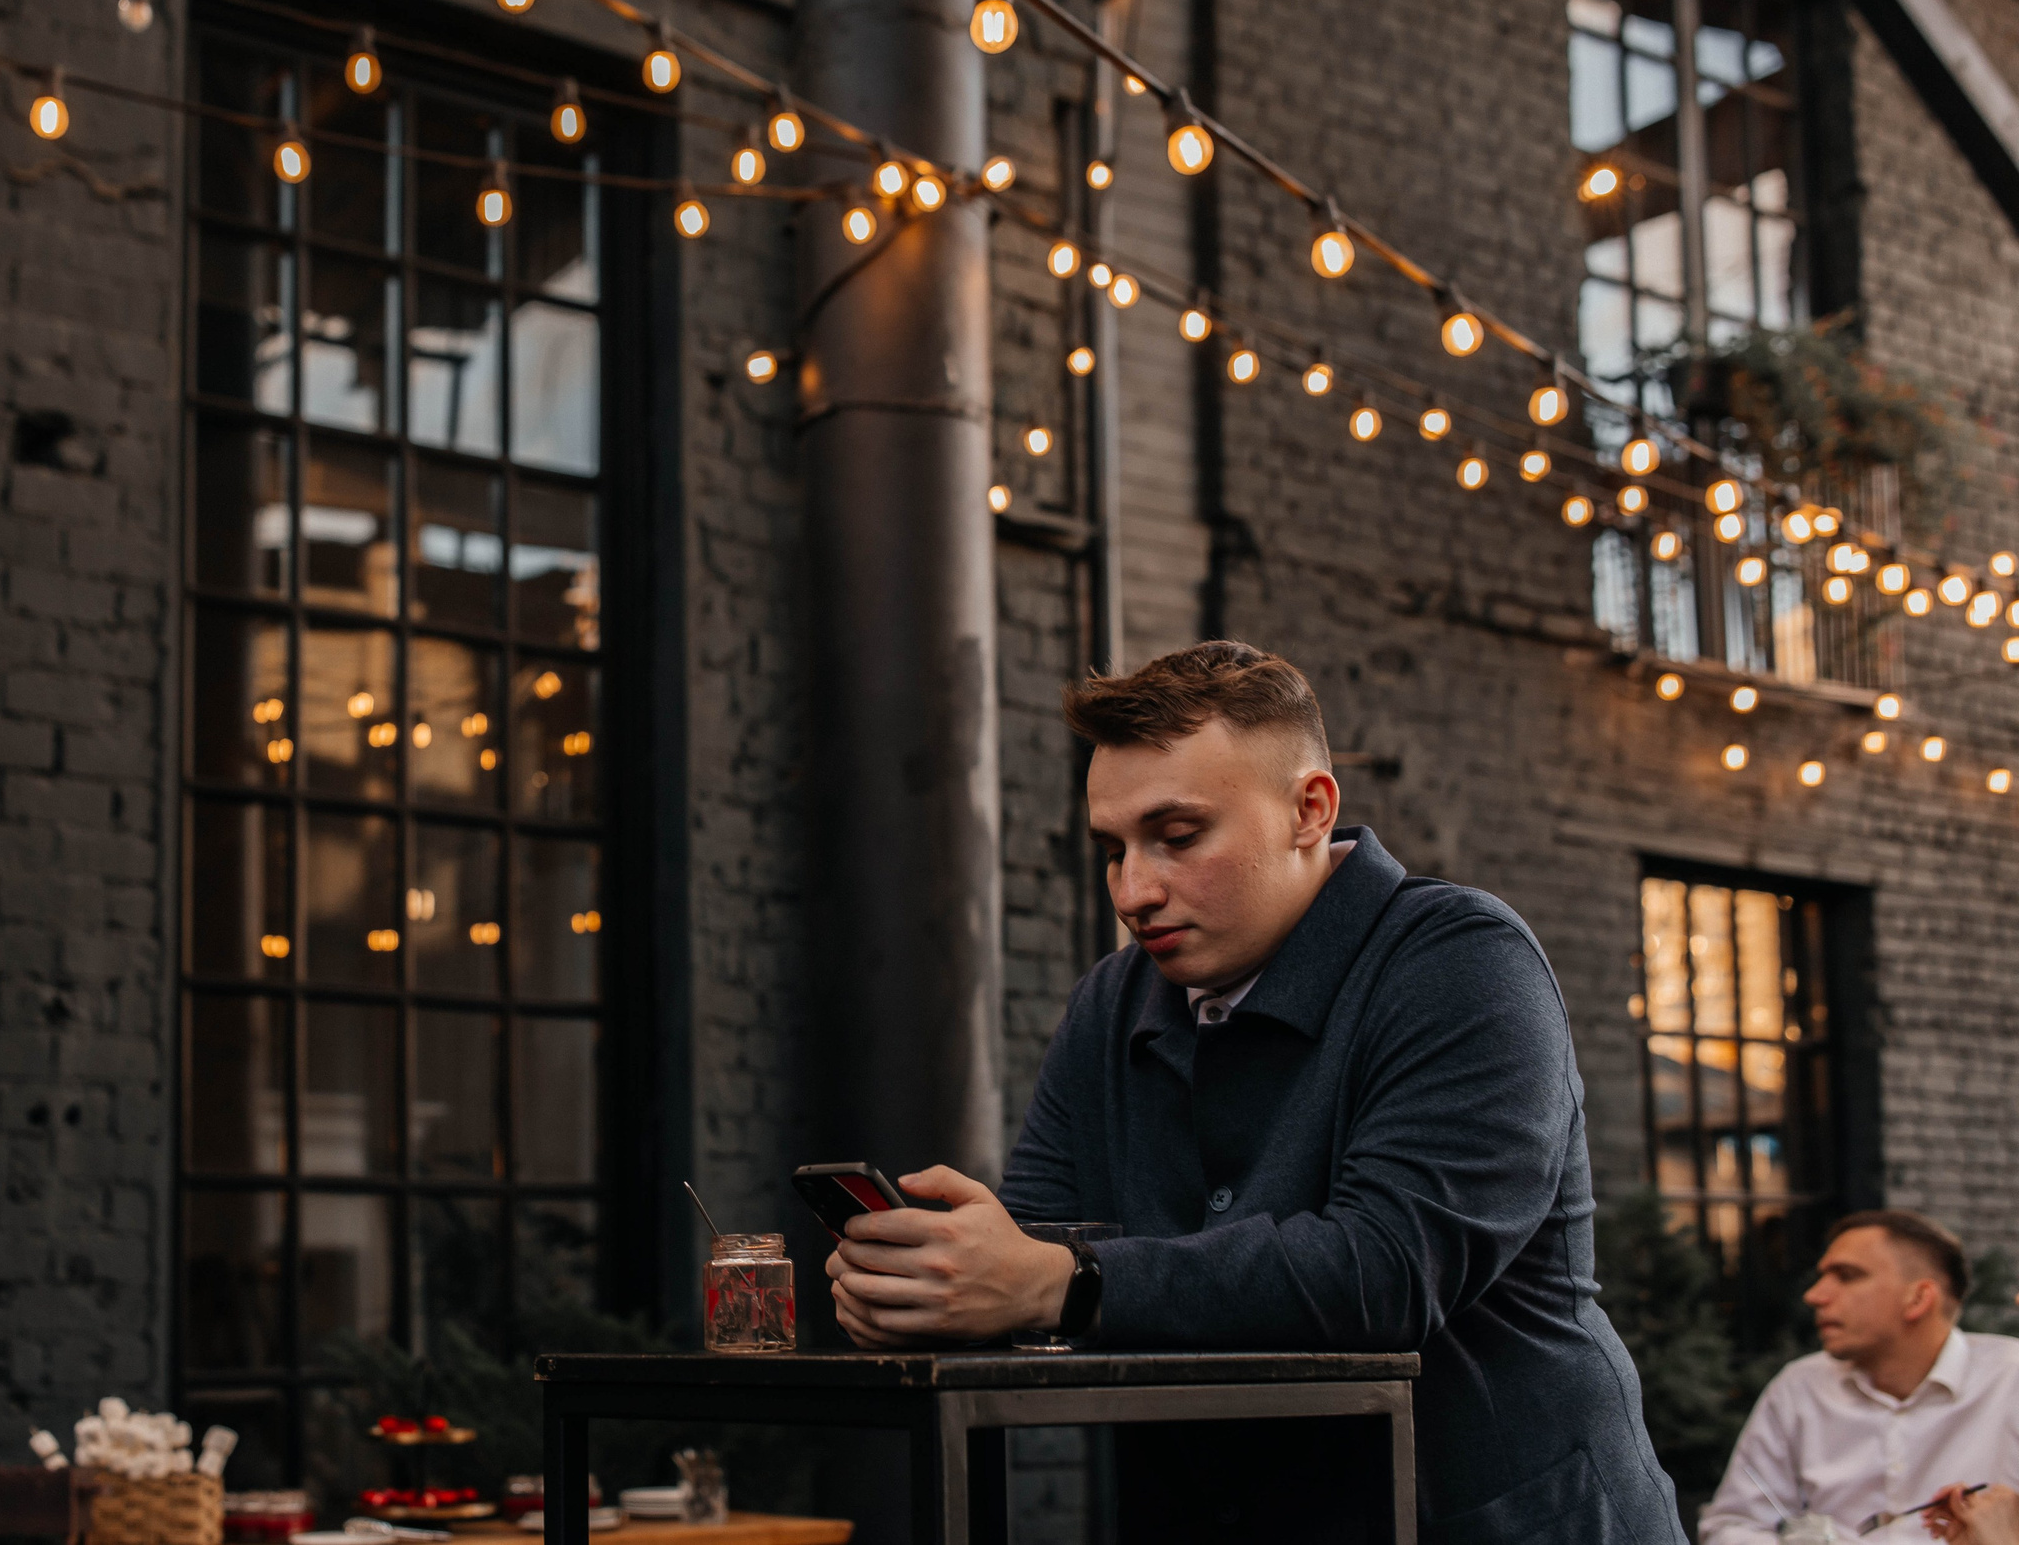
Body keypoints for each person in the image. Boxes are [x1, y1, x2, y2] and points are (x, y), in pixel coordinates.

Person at [822, 641, 1684, 1542]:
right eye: (1112, 849)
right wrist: (941, 1283)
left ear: (1310, 810)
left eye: (1179, 836)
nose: (1132, 889)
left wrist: (1055, 1280)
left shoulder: (1464, 962)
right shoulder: (1109, 1006)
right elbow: (1037, 1254)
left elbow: (1383, 1271)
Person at [1702, 1212, 2019, 1542]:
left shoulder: (2011, 1378)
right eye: (1822, 1276)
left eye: (1846, 1276)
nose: (1815, 1295)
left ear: (1919, 1298)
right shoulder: (1800, 1387)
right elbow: (1733, 1525)